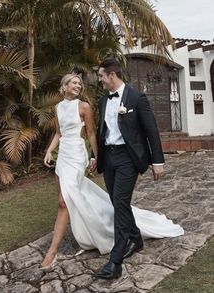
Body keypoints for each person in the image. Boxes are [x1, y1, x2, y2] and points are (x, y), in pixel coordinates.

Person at [41, 72, 184, 274]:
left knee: (64, 201)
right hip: (63, 154)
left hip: (76, 154)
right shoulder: (58, 107)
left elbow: (92, 133)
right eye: (73, 83)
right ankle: (109, 231)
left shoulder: (84, 106)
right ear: (63, 86)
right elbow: (58, 132)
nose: (78, 86)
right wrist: (49, 150)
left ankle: (52, 252)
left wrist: (95, 157)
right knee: (66, 198)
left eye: (79, 83)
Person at [94, 58, 171, 279]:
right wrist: (94, 156)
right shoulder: (102, 101)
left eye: (101, 76)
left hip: (129, 158)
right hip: (108, 158)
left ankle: (115, 262)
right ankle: (135, 238)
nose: (99, 80)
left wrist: (158, 161)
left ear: (112, 75)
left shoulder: (137, 98)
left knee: (119, 202)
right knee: (118, 202)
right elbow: (102, 132)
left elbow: (151, 131)